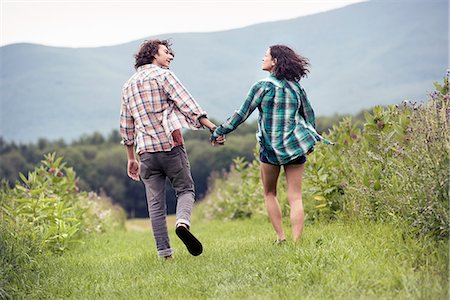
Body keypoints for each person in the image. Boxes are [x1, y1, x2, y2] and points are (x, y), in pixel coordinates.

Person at [211, 44, 332, 243]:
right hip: (295, 147)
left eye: (265, 56)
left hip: (270, 149)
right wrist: (309, 142)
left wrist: (219, 131)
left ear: (274, 61)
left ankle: (281, 237)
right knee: (296, 196)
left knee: (269, 192)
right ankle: (297, 241)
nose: (262, 59)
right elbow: (309, 116)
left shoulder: (263, 86)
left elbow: (241, 115)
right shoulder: (296, 87)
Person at [120, 39, 223, 259]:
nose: (171, 56)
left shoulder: (128, 85)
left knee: (155, 204)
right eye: (166, 52)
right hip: (171, 146)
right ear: (152, 55)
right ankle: (182, 223)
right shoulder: (163, 75)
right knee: (185, 189)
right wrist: (212, 127)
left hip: (145, 153)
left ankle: (165, 255)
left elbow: (126, 125)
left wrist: (130, 158)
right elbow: (188, 104)